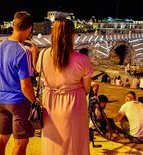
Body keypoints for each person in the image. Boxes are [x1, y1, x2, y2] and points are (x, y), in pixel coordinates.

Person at [37, 18, 93, 155]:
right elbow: (87, 88)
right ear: (72, 35)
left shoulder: (43, 55)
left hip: (50, 105)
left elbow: (42, 76)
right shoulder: (82, 60)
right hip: (74, 105)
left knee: (53, 142)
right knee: (74, 142)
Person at [0, 11, 36, 155]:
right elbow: (26, 85)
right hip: (19, 102)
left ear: (13, 25)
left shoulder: (1, 46)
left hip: (1, 99)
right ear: (29, 28)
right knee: (21, 142)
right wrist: (35, 101)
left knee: (2, 137)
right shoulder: (24, 51)